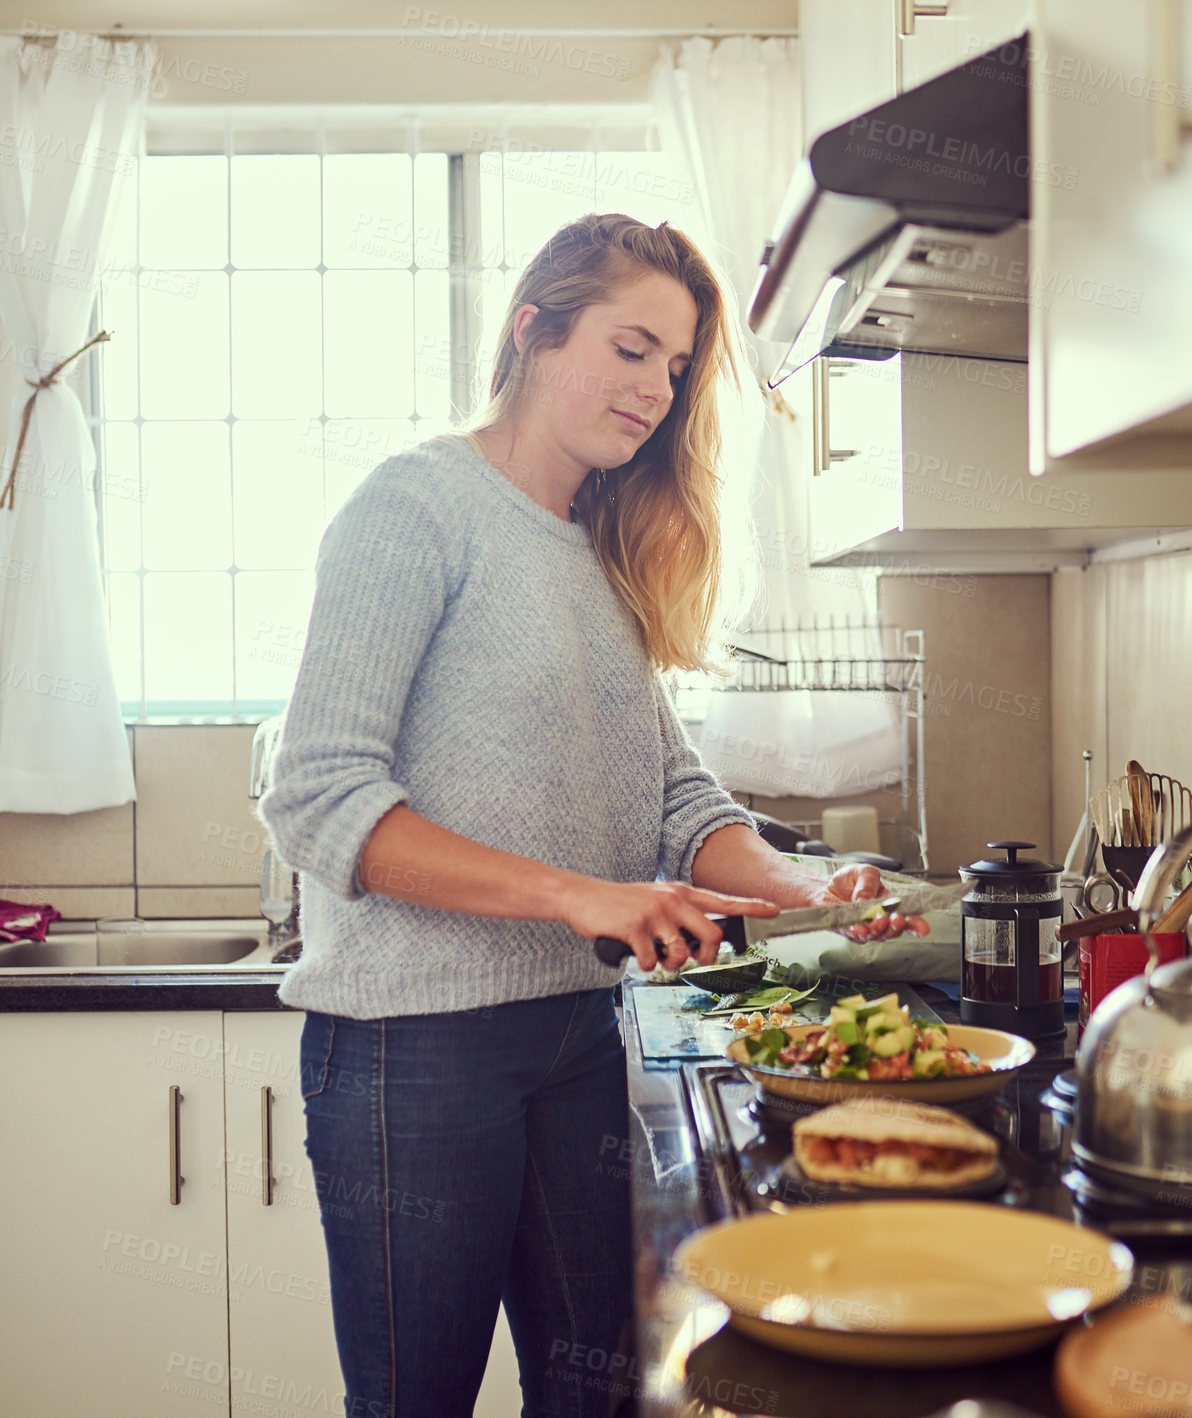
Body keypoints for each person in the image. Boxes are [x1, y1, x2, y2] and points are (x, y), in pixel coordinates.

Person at [258, 212, 922, 1418]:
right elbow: (317, 796)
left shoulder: (603, 546)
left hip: (575, 1035)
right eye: (631, 349)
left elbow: (671, 794)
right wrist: (580, 894)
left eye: (674, 368)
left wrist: (796, 886)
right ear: (533, 330)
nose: (656, 391)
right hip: (413, 1052)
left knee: (603, 1396)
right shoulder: (414, 508)